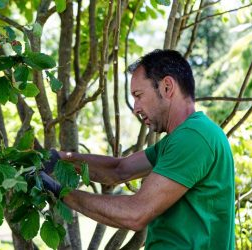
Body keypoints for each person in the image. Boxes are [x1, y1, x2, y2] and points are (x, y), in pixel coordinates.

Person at [39, 49, 235, 249]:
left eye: (139, 95)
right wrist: (59, 158)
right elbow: (119, 170)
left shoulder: (194, 137)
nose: (136, 108)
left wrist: (60, 191)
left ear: (167, 87)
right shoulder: (181, 138)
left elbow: (136, 213)